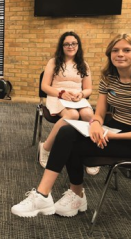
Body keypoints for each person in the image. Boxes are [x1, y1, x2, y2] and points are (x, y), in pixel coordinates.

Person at [11, 33, 131, 218]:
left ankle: (73, 194)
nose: (120, 54)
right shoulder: (109, 78)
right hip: (113, 129)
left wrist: (113, 135)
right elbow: (99, 113)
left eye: (126, 50)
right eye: (115, 50)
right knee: (67, 132)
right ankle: (50, 194)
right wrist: (97, 124)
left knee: (71, 141)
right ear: (110, 54)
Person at [38, 31, 97, 175]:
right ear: (62, 46)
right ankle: (46, 147)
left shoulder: (84, 65)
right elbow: (44, 86)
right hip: (57, 95)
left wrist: (81, 94)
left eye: (73, 43)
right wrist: (61, 93)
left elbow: (89, 89)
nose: (70, 46)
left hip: (77, 97)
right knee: (72, 115)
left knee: (89, 114)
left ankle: (90, 154)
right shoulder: (53, 62)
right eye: (67, 44)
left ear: (78, 45)